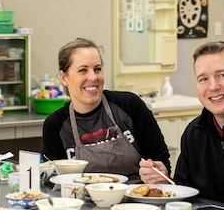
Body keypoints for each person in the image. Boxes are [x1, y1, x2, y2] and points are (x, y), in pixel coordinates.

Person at [139, 41, 224, 208]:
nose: (213, 86)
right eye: (204, 79)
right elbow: (185, 197)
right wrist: (165, 183)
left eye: (222, 75)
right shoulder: (194, 133)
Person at [42, 38, 170, 182]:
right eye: (83, 70)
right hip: (80, 196)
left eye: (97, 69)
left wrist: (159, 173)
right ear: (64, 77)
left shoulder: (129, 105)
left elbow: (161, 160)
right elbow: (52, 182)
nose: (93, 77)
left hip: (137, 194)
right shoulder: (55, 125)